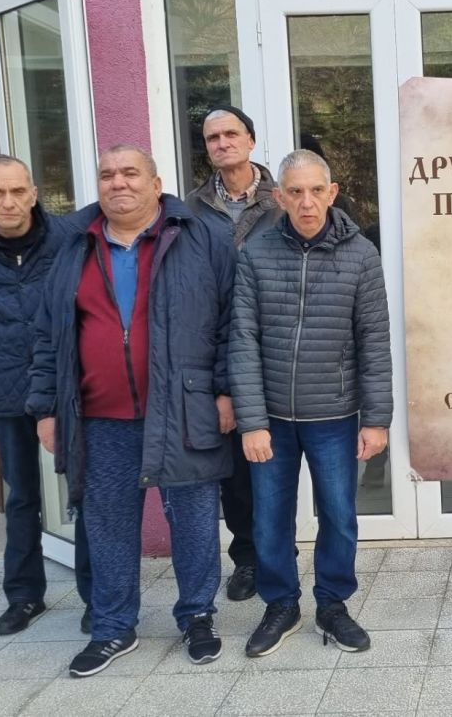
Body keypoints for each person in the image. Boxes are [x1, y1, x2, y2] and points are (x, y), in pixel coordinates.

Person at [28, 144, 236, 676]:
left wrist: (225, 391)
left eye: (130, 173)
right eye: (107, 174)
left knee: (193, 521)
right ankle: (114, 626)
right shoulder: (72, 244)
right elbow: (48, 334)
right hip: (99, 417)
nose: (118, 183)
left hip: (183, 409)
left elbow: (231, 322)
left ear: (155, 183)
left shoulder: (201, 237)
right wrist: (46, 408)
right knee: (107, 525)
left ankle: (197, 616)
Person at [229, 149, 392, 657]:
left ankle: (332, 605)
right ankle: (281, 604)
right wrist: (252, 422)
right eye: (295, 192)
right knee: (269, 519)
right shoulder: (256, 254)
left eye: (316, 190)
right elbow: (242, 339)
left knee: (339, 515)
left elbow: (374, 341)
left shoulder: (361, 255)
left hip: (335, 416)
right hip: (272, 419)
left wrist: (376, 419)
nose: (306, 202)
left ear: (332, 193)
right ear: (279, 197)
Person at [0, 154, 92, 636]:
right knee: (22, 495)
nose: (9, 201)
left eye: (17, 191)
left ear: (33, 194)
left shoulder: (69, 237)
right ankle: (24, 596)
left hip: (67, 385)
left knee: (84, 491)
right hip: (4, 388)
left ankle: (97, 595)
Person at [185, 105, 281, 602]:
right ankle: (247, 559)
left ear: (251, 140)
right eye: (213, 138)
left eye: (231, 134)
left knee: (274, 467)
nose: (222, 143)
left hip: (279, 353)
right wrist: (219, 383)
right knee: (236, 473)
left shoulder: (282, 200)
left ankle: (278, 555)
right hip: (220, 351)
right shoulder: (190, 210)